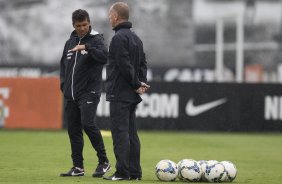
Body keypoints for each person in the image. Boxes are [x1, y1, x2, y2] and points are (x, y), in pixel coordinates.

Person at [59, 9, 111, 177]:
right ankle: (78, 167)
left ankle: (104, 161)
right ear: (73, 25)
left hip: (89, 91)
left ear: (89, 23)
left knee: (88, 124)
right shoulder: (70, 41)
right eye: (78, 25)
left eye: (84, 25)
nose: (81, 28)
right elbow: (63, 66)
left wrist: (87, 47)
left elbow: (104, 57)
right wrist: (64, 85)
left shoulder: (96, 39)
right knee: (73, 130)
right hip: (71, 94)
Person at [103, 2, 150, 181]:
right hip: (131, 94)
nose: (109, 18)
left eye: (110, 15)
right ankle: (135, 173)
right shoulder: (136, 38)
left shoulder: (117, 39)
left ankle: (122, 173)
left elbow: (124, 65)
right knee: (131, 134)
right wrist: (140, 83)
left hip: (119, 93)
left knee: (120, 134)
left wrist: (136, 82)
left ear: (116, 16)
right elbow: (143, 63)